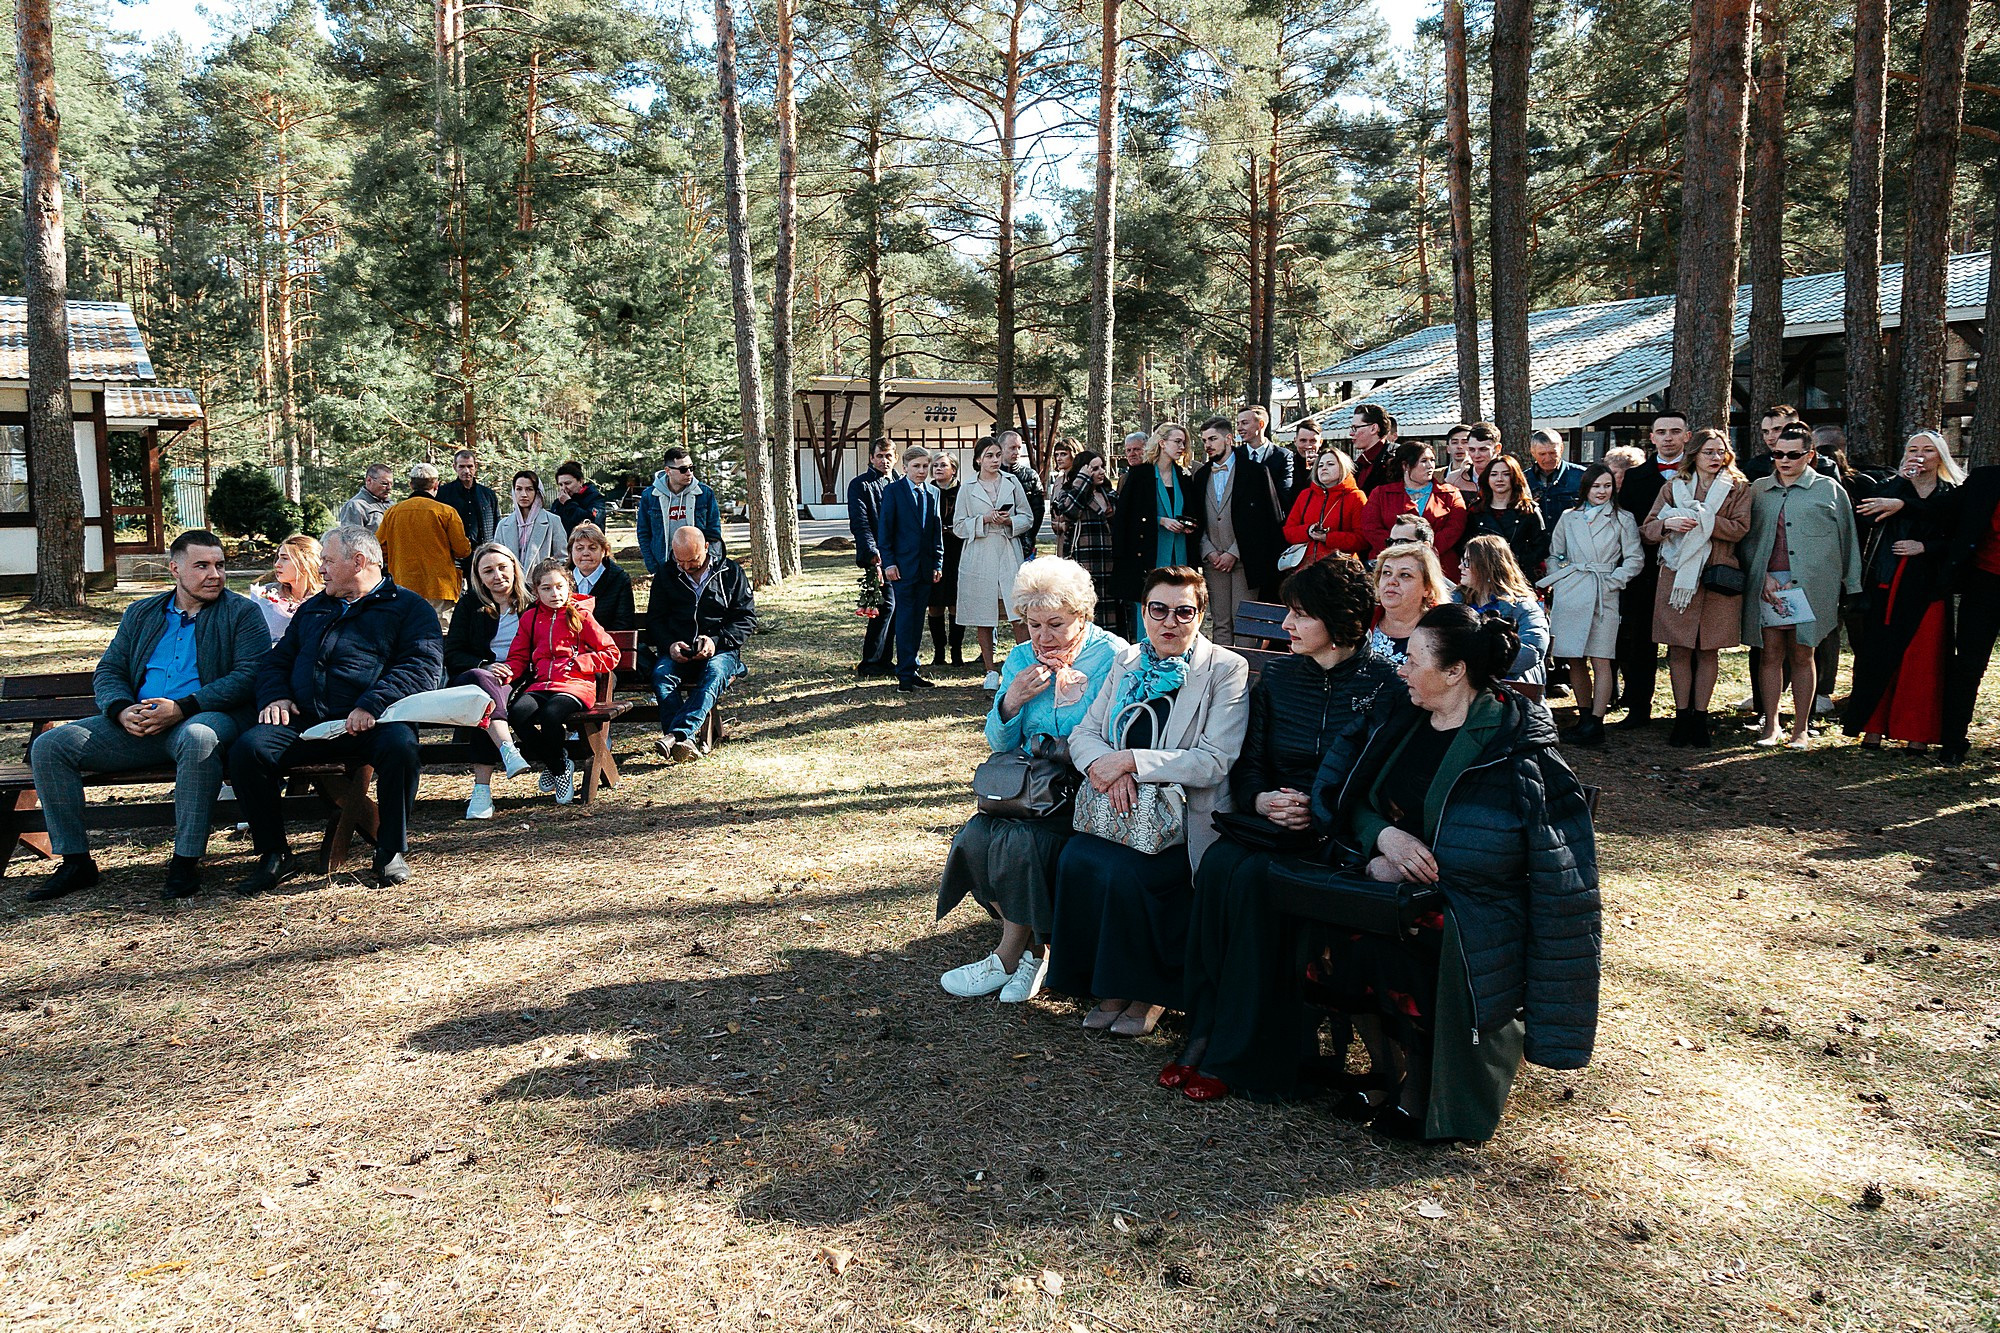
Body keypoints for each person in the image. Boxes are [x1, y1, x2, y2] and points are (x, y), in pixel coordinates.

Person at [1311, 603, 1600, 1143]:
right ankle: (1383, 1068)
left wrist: (1416, 870)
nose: (1399, 667)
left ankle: (1421, 1089)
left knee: (1410, 947)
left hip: (1473, 904)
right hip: (1389, 881)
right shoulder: (1401, 716)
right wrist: (1383, 840)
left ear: (1454, 671)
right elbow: (1352, 795)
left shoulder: (1511, 746)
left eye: (1413, 658)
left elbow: (1541, 859)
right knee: (1336, 929)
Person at [1168, 555, 1399, 1101]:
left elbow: (1379, 779)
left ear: (1338, 619)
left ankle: (1245, 1057)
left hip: (1337, 833)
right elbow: (1248, 764)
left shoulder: (1384, 685)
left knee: (1253, 883)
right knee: (1221, 866)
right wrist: (1264, 798)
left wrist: (1318, 812)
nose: (1286, 626)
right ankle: (1205, 1034)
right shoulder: (1280, 675)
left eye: (1298, 615)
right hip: (1272, 823)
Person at [1049, 566, 1251, 1036]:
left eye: (1184, 612)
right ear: (1143, 613)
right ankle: (1109, 985)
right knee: (1077, 858)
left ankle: (1149, 994)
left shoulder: (1225, 669)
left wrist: (1132, 762)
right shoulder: (1128, 661)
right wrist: (1108, 768)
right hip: (1117, 809)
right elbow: (1086, 734)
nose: (1170, 622)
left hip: (1186, 818)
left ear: (1201, 615)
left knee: (1133, 873)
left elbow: (1214, 762)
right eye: (1158, 610)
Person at [26, 530, 270, 903]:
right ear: (174, 569)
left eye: (220, 565)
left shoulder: (242, 613)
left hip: (204, 716)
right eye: (202, 565)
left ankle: (185, 860)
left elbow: (249, 675)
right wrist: (121, 709)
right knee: (51, 746)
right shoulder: (142, 613)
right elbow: (109, 670)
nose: (215, 575)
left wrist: (183, 707)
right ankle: (76, 861)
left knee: (199, 738)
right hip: (139, 724)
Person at [937, 559, 1128, 1003]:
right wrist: (1011, 702)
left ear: (1083, 615)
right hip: (1030, 787)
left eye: (1056, 624)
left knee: (1022, 843)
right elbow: (998, 740)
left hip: (1086, 785)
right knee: (977, 835)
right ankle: (1031, 951)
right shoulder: (1022, 657)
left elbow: (1118, 734)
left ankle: (1017, 955)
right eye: (1033, 624)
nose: (1043, 637)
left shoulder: (1114, 656)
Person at [228, 525, 445, 893]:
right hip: (308, 721)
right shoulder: (315, 608)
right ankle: (274, 854)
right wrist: (276, 695)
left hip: (375, 721)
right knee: (248, 751)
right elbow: (276, 661)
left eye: (328, 560)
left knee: (401, 749)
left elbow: (421, 668)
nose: (321, 568)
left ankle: (389, 849)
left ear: (358, 562)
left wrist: (371, 704)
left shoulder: (409, 608)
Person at [1739, 424, 1861, 749]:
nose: (1784, 460)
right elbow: (1746, 540)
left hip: (1812, 585)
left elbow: (1848, 540)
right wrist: (1760, 573)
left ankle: (1802, 729)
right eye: (1777, 453)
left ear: (1810, 455)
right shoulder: (1757, 490)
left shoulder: (1830, 490)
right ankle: (1771, 726)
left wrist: (1853, 584)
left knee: (1803, 654)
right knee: (1769, 654)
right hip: (1769, 585)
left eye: (1793, 454)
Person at [1844, 431, 1963, 751]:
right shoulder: (1888, 489)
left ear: (1941, 456)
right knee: (1877, 658)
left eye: (1927, 450)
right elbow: (1866, 516)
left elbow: (1957, 540)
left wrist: (1924, 546)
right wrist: (1900, 483)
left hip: (1928, 589)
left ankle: (1917, 733)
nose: (1920, 455)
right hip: (1886, 583)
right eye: (1913, 449)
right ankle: (1871, 729)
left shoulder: (1951, 494)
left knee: (1921, 662)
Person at [1637, 427, 1751, 746]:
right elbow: (1647, 530)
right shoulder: (1674, 486)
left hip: (1717, 574)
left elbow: (1741, 529)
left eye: (1721, 452)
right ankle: (1682, 715)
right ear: (1694, 455)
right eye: (1709, 452)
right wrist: (1668, 524)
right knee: (1679, 648)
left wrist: (1705, 520)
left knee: (1708, 648)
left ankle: (1701, 718)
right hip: (1677, 576)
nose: (1716, 458)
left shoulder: (1738, 487)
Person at [1539, 463, 1643, 746]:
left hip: (1602, 591)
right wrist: (1561, 576)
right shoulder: (1569, 517)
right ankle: (1583, 716)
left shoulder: (1623, 519)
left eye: (1607, 486)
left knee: (1601, 657)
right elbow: (1556, 552)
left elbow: (1635, 558)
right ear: (1586, 488)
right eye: (1596, 486)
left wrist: (1614, 579)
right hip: (1573, 590)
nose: (1602, 491)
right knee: (1574, 656)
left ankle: (1597, 721)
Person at [502, 558, 620, 802]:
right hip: (542, 683)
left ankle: (554, 764)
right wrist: (507, 673)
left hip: (576, 685)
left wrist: (581, 663)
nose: (554, 593)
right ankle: (558, 765)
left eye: (559, 586)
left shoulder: (582, 616)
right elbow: (519, 656)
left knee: (551, 715)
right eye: (546, 588)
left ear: (569, 586)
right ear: (536, 591)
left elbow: (612, 653)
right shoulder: (530, 618)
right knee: (516, 714)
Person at [442, 543, 536, 819]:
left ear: (514, 568)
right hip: (475, 676)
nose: (498, 576)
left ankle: (481, 790)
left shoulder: (532, 602)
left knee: (485, 707)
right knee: (483, 689)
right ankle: (507, 749)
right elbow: (454, 652)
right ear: (479, 577)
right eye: (488, 571)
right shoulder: (471, 605)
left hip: (520, 678)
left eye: (502, 567)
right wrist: (485, 665)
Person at [1609, 412, 1690, 730]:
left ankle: (1689, 711)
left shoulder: (1699, 472)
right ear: (1652, 438)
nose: (1668, 437)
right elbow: (1628, 525)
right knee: (1641, 641)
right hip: (1646, 569)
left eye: (1675, 431)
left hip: (1687, 567)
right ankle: (1639, 708)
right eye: (1661, 432)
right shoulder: (1636, 476)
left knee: (1685, 642)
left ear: (1687, 435)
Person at [646, 527, 755, 763]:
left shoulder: (731, 572)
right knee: (662, 677)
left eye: (693, 559)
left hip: (721, 649)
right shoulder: (666, 574)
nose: (686, 566)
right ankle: (685, 740)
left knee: (714, 673)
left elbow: (746, 619)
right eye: (680, 560)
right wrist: (669, 645)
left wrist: (715, 642)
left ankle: (676, 736)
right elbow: (655, 620)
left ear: (706, 547)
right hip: (678, 650)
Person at [1192, 415, 1285, 641]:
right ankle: (1223, 674)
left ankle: (1247, 673)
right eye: (1204, 440)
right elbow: (1196, 518)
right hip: (1213, 561)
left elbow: (1267, 519)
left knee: (1245, 621)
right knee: (1220, 623)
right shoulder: (1201, 475)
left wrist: (1234, 552)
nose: (1208, 445)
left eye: (1213, 439)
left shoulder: (1256, 472)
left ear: (1229, 438)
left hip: (1246, 560)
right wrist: (1208, 551)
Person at [955, 437, 1034, 688]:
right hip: (980, 552)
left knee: (1017, 612)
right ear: (978, 459)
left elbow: (1027, 516)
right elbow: (958, 525)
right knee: (984, 614)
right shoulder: (967, 487)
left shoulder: (1012, 483)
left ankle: (1023, 666)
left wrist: (1009, 521)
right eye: (989, 456)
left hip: (1008, 549)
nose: (994, 460)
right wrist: (984, 520)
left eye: (997, 455)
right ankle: (990, 670)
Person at [1940, 460, 2000, 764]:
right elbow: (1943, 509)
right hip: (1985, 585)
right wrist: (1902, 500)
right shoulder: (1986, 479)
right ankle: (1952, 741)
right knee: (1968, 665)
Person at [1111, 422, 1197, 618]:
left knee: (1180, 602)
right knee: (1149, 604)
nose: (1182, 447)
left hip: (1180, 551)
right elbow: (1126, 517)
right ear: (1162, 443)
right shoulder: (1139, 475)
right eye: (1177, 441)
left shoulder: (1184, 476)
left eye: (1184, 442)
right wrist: (1160, 521)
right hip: (1148, 553)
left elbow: (1192, 511)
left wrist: (1189, 524)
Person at [879, 445, 945, 691]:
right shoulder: (894, 491)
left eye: (925, 466)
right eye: (916, 466)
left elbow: (935, 531)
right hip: (902, 566)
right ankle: (905, 674)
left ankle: (913, 668)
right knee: (906, 618)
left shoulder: (932, 493)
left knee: (918, 619)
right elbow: (885, 530)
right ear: (904, 468)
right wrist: (889, 562)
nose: (921, 471)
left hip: (926, 566)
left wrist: (937, 562)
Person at [1455, 535, 1550, 698]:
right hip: (1460, 684)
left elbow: (1531, 651)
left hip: (1509, 688)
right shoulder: (1453, 602)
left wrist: (1479, 662)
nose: (1460, 567)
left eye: (1467, 562)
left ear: (1487, 565)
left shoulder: (1522, 606)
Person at [1358, 441, 1469, 577]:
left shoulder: (1450, 493)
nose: (1430, 466)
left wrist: (1425, 550)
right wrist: (1400, 549)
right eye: (1424, 461)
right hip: (1389, 564)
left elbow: (1455, 527)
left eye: (1432, 460)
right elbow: (1370, 527)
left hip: (1440, 566)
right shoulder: (1380, 493)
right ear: (1405, 465)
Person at [376, 463, 472, 616]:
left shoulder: (392, 513)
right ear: (436, 484)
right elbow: (462, 550)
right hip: (440, 588)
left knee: (408, 634)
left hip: (403, 586)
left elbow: (379, 549)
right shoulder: (446, 512)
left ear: (411, 484)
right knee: (440, 634)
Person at [1051, 450, 1121, 635]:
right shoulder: (1070, 492)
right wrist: (1082, 481)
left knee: (1110, 610)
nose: (1101, 472)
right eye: (1095, 468)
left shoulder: (1109, 494)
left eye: (1102, 467)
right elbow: (1069, 510)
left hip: (1110, 560)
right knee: (1086, 608)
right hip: (1084, 559)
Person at [847, 440, 896, 676]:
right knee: (885, 605)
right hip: (877, 553)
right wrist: (872, 554)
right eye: (879, 456)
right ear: (871, 458)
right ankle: (871, 661)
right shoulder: (860, 485)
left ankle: (886, 660)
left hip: (901, 554)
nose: (884, 460)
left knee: (896, 608)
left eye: (888, 456)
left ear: (895, 458)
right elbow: (860, 522)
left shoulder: (900, 483)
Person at [639, 445, 726, 577]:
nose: (689, 473)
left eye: (691, 468)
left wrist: (710, 563)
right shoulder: (650, 496)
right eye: (683, 469)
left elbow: (714, 532)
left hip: (698, 566)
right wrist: (652, 566)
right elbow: (644, 533)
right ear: (668, 470)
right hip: (664, 566)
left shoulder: (704, 493)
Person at [1367, 541, 1450, 668]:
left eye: (1405, 575)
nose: (1392, 581)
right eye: (1387, 573)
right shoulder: (1362, 621)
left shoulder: (1444, 631)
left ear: (1427, 588)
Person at [1466, 454, 1548, 578]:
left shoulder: (1529, 510)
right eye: (1494, 474)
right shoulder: (1476, 511)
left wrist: (1517, 562)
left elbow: (1541, 547)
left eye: (1506, 474)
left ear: (1515, 477)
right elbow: (1466, 545)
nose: (1499, 479)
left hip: (1519, 576)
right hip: (1484, 575)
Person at [1283, 447, 1368, 566]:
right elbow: (1288, 531)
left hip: (1341, 569)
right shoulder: (1305, 495)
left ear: (1343, 468)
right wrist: (1308, 531)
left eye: (1330, 464)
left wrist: (1328, 538)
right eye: (1320, 465)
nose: (1324, 468)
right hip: (1305, 569)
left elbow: (1362, 539)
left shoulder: (1356, 497)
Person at [248, 534, 324, 642]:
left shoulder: (326, 597)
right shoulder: (266, 593)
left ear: (305, 563)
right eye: (278, 558)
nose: (277, 564)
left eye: (284, 558)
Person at [437, 449, 500, 571]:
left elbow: (496, 524)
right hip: (453, 557)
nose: (466, 471)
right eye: (462, 466)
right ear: (454, 467)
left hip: (483, 554)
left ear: (475, 467)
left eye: (470, 466)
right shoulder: (443, 493)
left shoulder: (488, 495)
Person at [931, 454, 966, 667]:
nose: (938, 469)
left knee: (954, 603)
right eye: (935, 465)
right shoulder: (927, 491)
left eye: (943, 465)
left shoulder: (963, 491)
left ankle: (956, 650)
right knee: (934, 604)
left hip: (957, 551)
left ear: (953, 469)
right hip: (934, 553)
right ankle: (938, 651)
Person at [567, 521, 634, 632]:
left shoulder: (620, 580)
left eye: (592, 548)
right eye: (579, 548)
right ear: (571, 551)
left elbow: (623, 624)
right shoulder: (560, 579)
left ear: (603, 551)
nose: (586, 553)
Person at [494, 470, 567, 571]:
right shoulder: (503, 525)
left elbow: (562, 559)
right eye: (519, 489)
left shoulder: (553, 521)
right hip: (512, 584)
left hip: (542, 584)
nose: (523, 494)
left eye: (529, 489)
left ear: (537, 492)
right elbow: (497, 559)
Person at [1240, 404, 1298, 510]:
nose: (1239, 428)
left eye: (1244, 423)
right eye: (1238, 424)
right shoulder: (1235, 455)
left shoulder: (1283, 456)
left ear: (1261, 424)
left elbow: (1284, 493)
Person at [1000, 430, 1047, 560]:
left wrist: (1029, 536)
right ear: (1002, 449)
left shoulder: (1031, 476)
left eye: (1019, 448)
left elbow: (1038, 511)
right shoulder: (993, 476)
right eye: (1012, 448)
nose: (1017, 452)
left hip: (1025, 539)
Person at [1526, 428, 1585, 523]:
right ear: (1533, 452)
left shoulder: (1581, 476)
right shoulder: (1523, 479)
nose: (1548, 458)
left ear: (1561, 449)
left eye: (1552, 453)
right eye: (1542, 454)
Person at [1348, 404, 1397, 494]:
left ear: (1373, 428)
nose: (1351, 433)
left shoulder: (1397, 457)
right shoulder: (1359, 463)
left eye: (1355, 428)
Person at [552, 461, 609, 536]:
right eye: (560, 484)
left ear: (580, 481)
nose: (564, 488)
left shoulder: (595, 498)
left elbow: (590, 522)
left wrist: (569, 504)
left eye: (568, 483)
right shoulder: (558, 503)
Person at [338, 464, 394, 532]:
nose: (389, 488)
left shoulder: (391, 504)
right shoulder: (355, 506)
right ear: (369, 480)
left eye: (391, 484)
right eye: (384, 483)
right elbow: (351, 539)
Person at [1440, 424, 1475, 495]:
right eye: (1454, 443)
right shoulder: (1435, 476)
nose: (1459, 447)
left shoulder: (1480, 475)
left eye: (1465, 442)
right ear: (1448, 449)